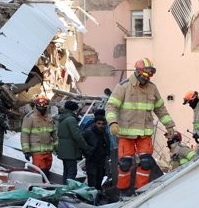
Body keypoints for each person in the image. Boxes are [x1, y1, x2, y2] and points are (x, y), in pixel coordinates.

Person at [106, 58, 176, 194]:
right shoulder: (123, 87)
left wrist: (169, 125)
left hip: (144, 133)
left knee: (146, 162)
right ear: (138, 72)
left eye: (150, 74)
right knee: (125, 164)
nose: (148, 78)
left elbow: (160, 108)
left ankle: (141, 190)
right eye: (146, 74)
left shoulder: (152, 88)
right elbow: (111, 106)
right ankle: (123, 191)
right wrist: (113, 122)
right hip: (126, 133)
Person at [20, 95, 56, 178]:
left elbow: (54, 133)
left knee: (46, 171)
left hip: (48, 151)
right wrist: (26, 150)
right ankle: (39, 189)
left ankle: (45, 188)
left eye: (44, 106)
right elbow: (25, 134)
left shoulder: (49, 118)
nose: (42, 108)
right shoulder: (30, 118)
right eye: (40, 106)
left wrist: (57, 147)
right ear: (36, 105)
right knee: (39, 173)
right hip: (37, 152)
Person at [55, 99, 90, 182]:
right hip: (70, 150)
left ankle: (64, 189)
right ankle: (68, 190)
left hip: (64, 150)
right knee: (72, 172)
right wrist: (86, 147)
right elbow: (77, 135)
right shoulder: (71, 120)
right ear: (74, 110)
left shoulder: (63, 119)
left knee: (66, 171)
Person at [82, 109, 111, 190]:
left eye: (102, 124)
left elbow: (107, 144)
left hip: (101, 160)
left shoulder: (104, 132)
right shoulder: (88, 132)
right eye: (99, 123)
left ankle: (97, 196)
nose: (101, 125)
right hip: (92, 159)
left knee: (99, 179)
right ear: (95, 123)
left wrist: (107, 154)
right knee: (92, 180)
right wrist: (87, 151)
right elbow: (80, 142)